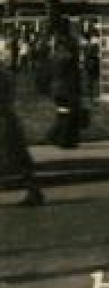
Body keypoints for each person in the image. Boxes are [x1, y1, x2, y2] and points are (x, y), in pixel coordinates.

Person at [0, 60, 44, 206]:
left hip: (3, 120)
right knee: (19, 158)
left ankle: (34, 192)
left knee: (16, 157)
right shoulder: (6, 72)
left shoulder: (2, 75)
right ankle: (34, 192)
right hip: (8, 119)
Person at [47, 33, 83, 149]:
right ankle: (65, 139)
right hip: (67, 89)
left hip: (56, 89)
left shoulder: (53, 56)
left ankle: (55, 136)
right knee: (69, 113)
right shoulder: (69, 58)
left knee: (62, 112)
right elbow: (73, 75)